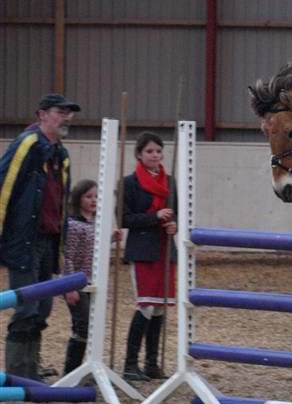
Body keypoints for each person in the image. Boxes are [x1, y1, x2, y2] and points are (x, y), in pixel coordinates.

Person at [0, 93, 80, 378]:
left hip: (49, 239)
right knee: (26, 306)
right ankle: (19, 371)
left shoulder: (61, 154)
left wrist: (61, 246)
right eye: (61, 111)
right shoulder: (27, 145)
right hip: (25, 238)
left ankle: (30, 365)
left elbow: (61, 202)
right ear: (42, 114)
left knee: (43, 306)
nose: (66, 117)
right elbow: (4, 188)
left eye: (69, 112)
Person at [122, 132, 176, 382]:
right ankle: (130, 363)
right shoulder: (130, 183)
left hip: (165, 248)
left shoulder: (171, 181)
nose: (154, 155)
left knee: (159, 309)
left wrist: (174, 225)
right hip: (143, 249)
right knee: (146, 305)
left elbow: (180, 214)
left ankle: (152, 362)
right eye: (149, 151)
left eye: (158, 151)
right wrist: (154, 218)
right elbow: (125, 219)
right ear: (139, 155)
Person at [61, 179, 122, 375]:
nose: (93, 200)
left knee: (90, 326)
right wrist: (68, 285)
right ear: (78, 199)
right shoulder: (73, 225)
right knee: (83, 325)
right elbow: (68, 256)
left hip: (92, 282)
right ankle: (71, 371)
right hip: (76, 282)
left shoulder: (96, 224)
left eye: (96, 197)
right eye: (88, 196)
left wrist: (112, 238)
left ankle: (83, 370)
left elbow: (97, 248)